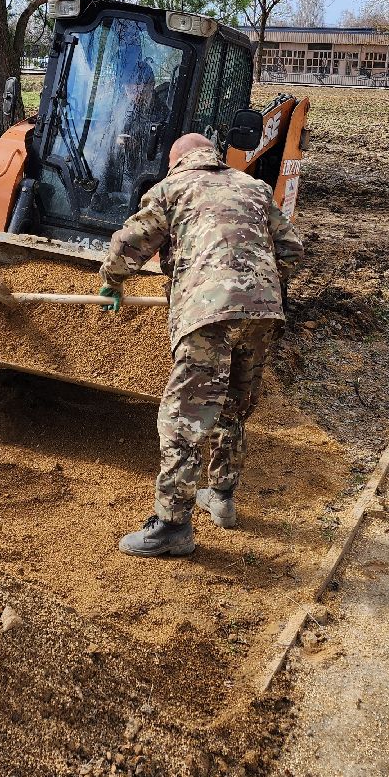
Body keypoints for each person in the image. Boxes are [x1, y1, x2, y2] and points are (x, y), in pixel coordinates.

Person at [98, 132, 303, 557]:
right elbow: (291, 249)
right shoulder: (254, 187)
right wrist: (256, 288)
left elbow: (130, 244)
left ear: (176, 161)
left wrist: (111, 282)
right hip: (263, 312)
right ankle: (222, 497)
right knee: (233, 406)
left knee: (183, 419)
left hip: (209, 314)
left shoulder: (172, 187)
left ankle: (172, 525)